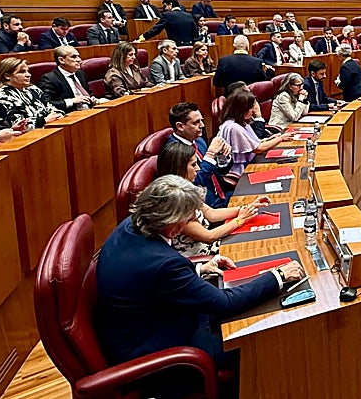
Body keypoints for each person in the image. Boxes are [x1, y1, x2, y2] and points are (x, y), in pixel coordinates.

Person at [95, 176, 304, 387]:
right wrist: (279, 275)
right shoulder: (163, 264)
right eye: (188, 219)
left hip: (147, 323)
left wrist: (199, 269)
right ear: (173, 224)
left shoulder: (130, 226)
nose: (190, 223)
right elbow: (225, 304)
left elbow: (151, 280)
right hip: (162, 354)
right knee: (265, 341)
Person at [155, 141, 269, 257]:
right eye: (193, 165)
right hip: (204, 257)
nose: (198, 169)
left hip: (214, 245)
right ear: (179, 168)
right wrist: (240, 220)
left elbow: (211, 214)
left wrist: (247, 208)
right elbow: (208, 237)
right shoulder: (176, 201)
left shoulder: (186, 189)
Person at [167, 102, 234, 207]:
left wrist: (222, 156)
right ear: (180, 126)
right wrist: (211, 154)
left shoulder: (198, 140)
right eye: (196, 122)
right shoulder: (174, 150)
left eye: (201, 121)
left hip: (223, 195)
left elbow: (219, 170)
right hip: (205, 205)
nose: (202, 125)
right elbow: (194, 183)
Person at [216, 89, 286, 177]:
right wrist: (281, 139)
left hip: (251, 162)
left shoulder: (241, 121)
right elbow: (258, 148)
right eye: (250, 108)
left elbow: (254, 142)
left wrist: (270, 139)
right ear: (240, 109)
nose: (253, 110)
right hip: (241, 171)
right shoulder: (234, 127)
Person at [0, 57, 65, 129]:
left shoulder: (33, 89)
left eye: (28, 71)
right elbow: (17, 125)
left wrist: (58, 114)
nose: (29, 75)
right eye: (22, 72)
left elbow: (50, 107)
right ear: (7, 76)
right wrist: (44, 120)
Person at [38, 46, 106, 111]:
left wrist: (92, 98)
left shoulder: (80, 74)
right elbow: (47, 103)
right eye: (73, 57)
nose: (79, 60)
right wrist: (72, 101)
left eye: (78, 56)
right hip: (71, 116)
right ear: (61, 60)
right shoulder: (49, 79)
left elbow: (89, 92)